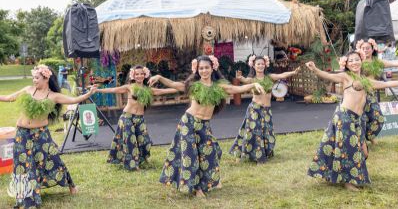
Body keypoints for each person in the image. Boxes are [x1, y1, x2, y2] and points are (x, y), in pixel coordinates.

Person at [149, 55, 265, 197]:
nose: (204, 71)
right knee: (191, 155)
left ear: (212, 69)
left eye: (206, 68)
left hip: (204, 124)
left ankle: (212, 180)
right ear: (197, 70)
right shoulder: (194, 86)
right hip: (189, 122)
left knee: (210, 152)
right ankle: (197, 189)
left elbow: (235, 89)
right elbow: (176, 85)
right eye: (201, 68)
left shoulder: (218, 86)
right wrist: (160, 77)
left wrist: (253, 85)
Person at [0, 64, 97, 208]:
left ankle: (71, 185)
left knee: (52, 159)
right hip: (22, 134)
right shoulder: (28, 90)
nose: (34, 80)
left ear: (46, 79)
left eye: (37, 78)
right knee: (23, 164)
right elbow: (9, 97)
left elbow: (74, 100)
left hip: (41, 134)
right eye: (33, 78)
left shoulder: (53, 96)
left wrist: (88, 94)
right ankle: (26, 196)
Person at [306, 50, 398, 191]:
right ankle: (348, 181)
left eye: (357, 59)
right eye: (351, 61)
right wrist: (314, 69)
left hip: (358, 119)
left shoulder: (366, 80)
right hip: (344, 117)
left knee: (364, 152)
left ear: (361, 61)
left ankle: (342, 173)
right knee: (349, 149)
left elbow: (384, 84)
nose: (354, 62)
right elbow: (326, 75)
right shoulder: (345, 77)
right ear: (347, 64)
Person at [96, 65, 178, 171]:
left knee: (145, 141)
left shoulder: (148, 89)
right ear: (133, 76)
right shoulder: (129, 87)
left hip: (140, 118)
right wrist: (97, 90)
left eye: (141, 74)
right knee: (131, 141)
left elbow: (163, 91)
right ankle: (133, 165)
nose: (139, 76)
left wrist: (179, 88)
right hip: (127, 117)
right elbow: (113, 89)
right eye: (137, 74)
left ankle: (142, 159)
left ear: (145, 75)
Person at [230, 55, 300, 163]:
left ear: (265, 65)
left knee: (266, 131)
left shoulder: (270, 77)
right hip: (255, 108)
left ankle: (266, 152)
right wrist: (239, 77)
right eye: (258, 64)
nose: (260, 66)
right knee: (253, 131)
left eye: (262, 64)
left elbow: (281, 75)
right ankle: (251, 156)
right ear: (254, 65)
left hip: (267, 110)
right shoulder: (252, 80)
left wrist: (293, 73)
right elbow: (243, 79)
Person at [355, 39, 398, 144]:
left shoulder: (377, 62)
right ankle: (361, 140)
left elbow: (393, 63)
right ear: (359, 49)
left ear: (372, 49)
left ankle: (370, 136)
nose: (365, 50)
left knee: (378, 117)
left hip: (371, 94)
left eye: (368, 48)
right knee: (361, 117)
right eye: (363, 48)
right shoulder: (357, 62)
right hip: (358, 94)